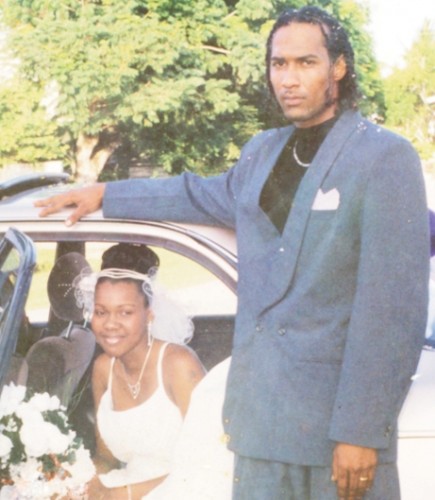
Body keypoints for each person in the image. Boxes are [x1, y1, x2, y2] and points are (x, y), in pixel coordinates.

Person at [36, 6, 429, 500]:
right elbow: (196, 194)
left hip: (334, 434)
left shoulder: (383, 157)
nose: (288, 79)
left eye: (305, 63)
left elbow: (393, 312)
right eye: (278, 64)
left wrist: (361, 431)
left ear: (339, 68)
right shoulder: (262, 152)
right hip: (258, 428)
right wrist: (105, 194)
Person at [73, 243, 205, 499]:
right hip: (124, 486)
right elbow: (106, 458)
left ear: (149, 314)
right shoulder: (103, 369)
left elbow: (206, 465)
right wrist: (76, 483)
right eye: (101, 312)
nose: (110, 324)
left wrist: (123, 494)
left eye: (125, 312)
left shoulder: (178, 365)